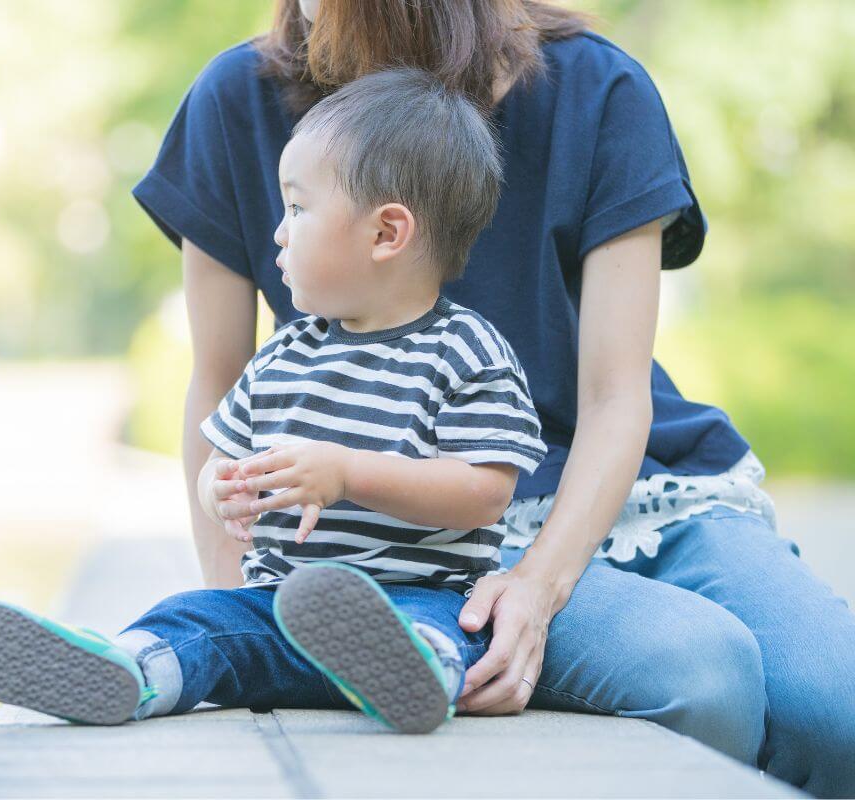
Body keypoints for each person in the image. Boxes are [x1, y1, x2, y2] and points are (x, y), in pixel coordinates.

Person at [130, 0, 855, 795]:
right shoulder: (237, 98)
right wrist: (253, 620)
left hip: (644, 489)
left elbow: (617, 397)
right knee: (703, 674)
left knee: (836, 712)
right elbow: (220, 384)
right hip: (433, 533)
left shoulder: (599, 88)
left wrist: (540, 587)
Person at [0, 67, 547, 735]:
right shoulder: (285, 355)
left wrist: (348, 474)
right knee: (198, 618)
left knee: (447, 628)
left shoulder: (467, 350)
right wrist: (219, 489)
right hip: (277, 609)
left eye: (298, 208)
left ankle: (414, 673)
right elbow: (224, 456)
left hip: (416, 599)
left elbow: (485, 491)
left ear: (386, 234)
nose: (278, 235)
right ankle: (129, 672)